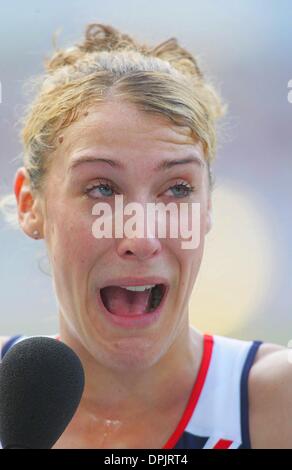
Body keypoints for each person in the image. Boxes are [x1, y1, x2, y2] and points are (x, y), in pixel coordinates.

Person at [0, 22, 290, 449]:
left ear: (208, 207)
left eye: (177, 189)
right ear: (30, 205)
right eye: (102, 189)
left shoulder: (277, 405)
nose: (141, 235)